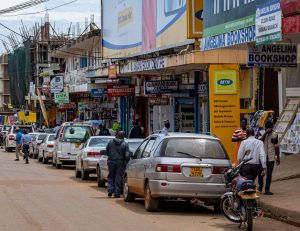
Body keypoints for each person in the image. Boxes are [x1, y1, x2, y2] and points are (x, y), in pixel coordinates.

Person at [258, 121, 280, 195]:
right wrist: (265, 133)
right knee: (261, 173)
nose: (269, 130)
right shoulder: (261, 132)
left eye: (270, 128)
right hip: (262, 157)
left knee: (269, 174)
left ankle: (267, 190)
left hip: (271, 157)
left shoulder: (275, 134)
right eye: (268, 128)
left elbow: (276, 146)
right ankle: (260, 187)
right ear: (266, 128)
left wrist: (278, 157)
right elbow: (260, 141)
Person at [106, 131, 129, 198]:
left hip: (111, 161)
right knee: (118, 177)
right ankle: (117, 193)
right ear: (123, 136)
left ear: (117, 135)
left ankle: (110, 190)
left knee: (111, 176)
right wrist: (127, 162)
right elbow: (127, 155)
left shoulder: (110, 142)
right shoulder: (125, 144)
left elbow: (107, 151)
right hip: (120, 162)